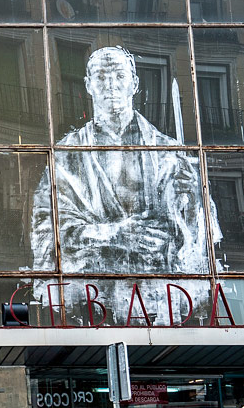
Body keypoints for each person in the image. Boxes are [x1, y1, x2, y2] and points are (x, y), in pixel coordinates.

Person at [31, 46, 219, 275]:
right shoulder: (66, 155)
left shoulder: (168, 153)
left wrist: (193, 200)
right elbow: (46, 229)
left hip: (159, 290)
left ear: (135, 84)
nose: (111, 85)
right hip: (92, 290)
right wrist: (113, 234)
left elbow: (201, 238)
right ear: (89, 85)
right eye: (101, 77)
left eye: (119, 76)